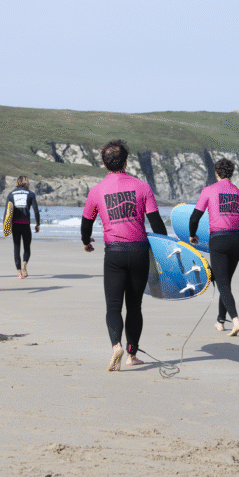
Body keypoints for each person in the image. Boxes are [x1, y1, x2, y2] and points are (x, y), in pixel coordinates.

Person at [81, 140, 168, 371]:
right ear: (126, 162)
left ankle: (116, 345)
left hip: (114, 254)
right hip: (139, 252)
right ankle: (132, 355)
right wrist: (164, 250)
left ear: (104, 164)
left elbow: (86, 223)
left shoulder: (97, 190)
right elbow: (157, 223)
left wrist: (86, 242)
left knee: (113, 306)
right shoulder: (142, 187)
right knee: (134, 306)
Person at [189, 158, 239, 337]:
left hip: (218, 240)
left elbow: (194, 218)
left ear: (216, 173)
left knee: (222, 283)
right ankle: (220, 321)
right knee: (225, 282)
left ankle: (236, 320)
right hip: (236, 241)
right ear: (231, 174)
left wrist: (192, 235)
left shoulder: (209, 190)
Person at [7, 175, 41, 278]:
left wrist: (6, 226)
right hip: (26, 225)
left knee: (16, 249)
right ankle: (24, 266)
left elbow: (7, 212)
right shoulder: (30, 194)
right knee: (27, 248)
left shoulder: (11, 194)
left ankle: (19, 273)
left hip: (15, 225)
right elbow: (36, 210)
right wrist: (38, 224)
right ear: (26, 183)